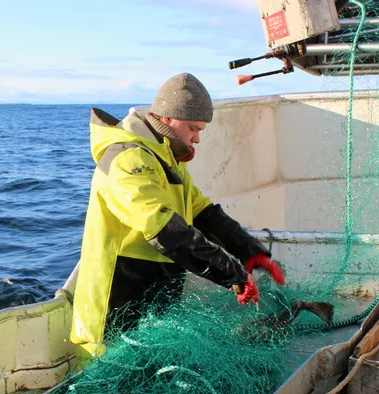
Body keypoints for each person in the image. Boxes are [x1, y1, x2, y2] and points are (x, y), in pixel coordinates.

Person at [71, 73, 285, 358]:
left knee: (152, 375)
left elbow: (203, 212)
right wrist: (232, 275)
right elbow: (163, 229)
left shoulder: (165, 156)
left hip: (156, 286)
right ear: (168, 118)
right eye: (193, 128)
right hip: (118, 294)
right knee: (112, 380)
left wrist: (252, 254)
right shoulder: (128, 158)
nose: (197, 138)